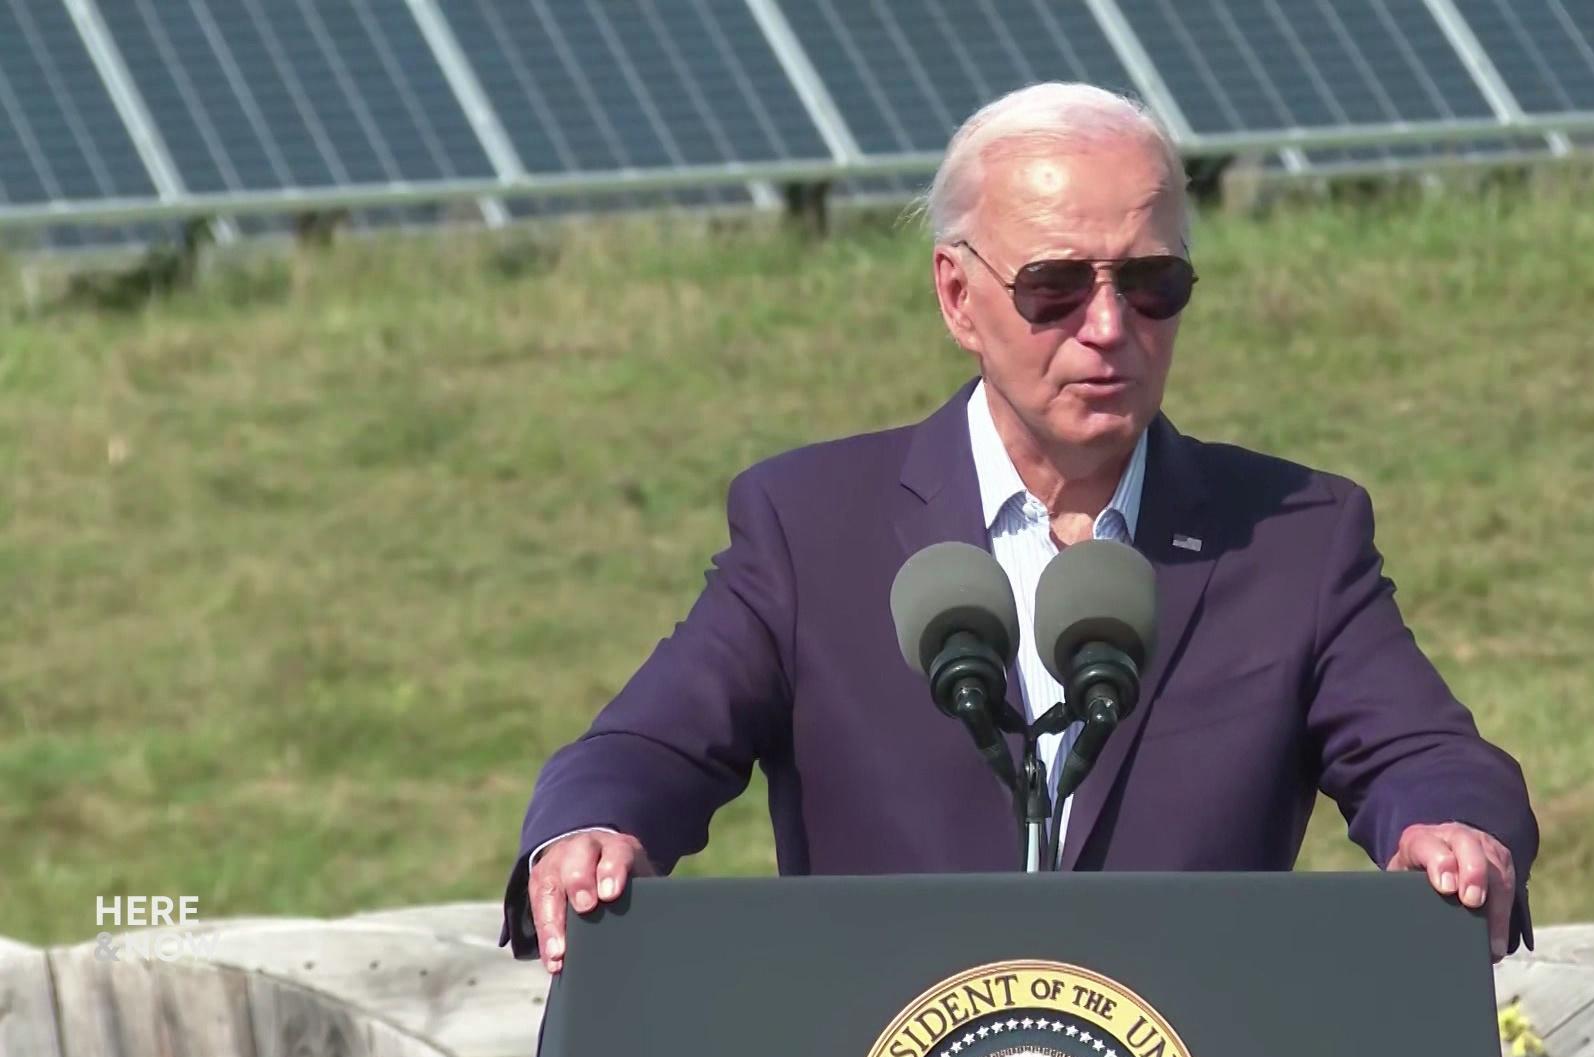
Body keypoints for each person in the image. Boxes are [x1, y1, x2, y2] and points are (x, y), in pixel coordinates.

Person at [501, 82, 1538, 976]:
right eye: (1053, 285)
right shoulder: (811, 527)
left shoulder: (1295, 537)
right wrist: (593, 831)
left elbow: (1428, 754)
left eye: (1151, 283)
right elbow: (649, 744)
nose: (1108, 327)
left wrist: (1450, 827)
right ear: (958, 295)